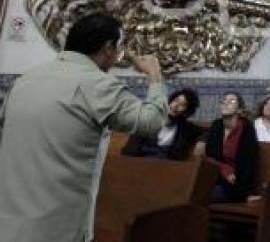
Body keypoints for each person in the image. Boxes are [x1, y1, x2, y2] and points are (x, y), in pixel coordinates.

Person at [0, 12, 166, 242]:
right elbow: (152, 123)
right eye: (120, 48)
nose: (119, 56)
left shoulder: (25, 80)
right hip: (56, 228)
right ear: (108, 48)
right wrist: (155, 76)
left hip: (9, 223)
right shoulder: (98, 84)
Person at [205, 91, 259, 202]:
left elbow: (248, 165)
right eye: (224, 101)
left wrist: (243, 192)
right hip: (214, 177)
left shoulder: (247, 130)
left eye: (232, 101)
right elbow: (209, 157)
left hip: (236, 184)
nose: (226, 103)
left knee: (202, 194)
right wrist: (224, 169)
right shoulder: (216, 125)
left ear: (239, 110)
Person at [122, 87, 201, 160]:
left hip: (168, 169)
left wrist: (201, 142)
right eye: (176, 101)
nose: (175, 106)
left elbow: (204, 133)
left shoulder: (186, 129)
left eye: (182, 105)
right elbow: (131, 150)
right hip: (141, 164)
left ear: (186, 112)